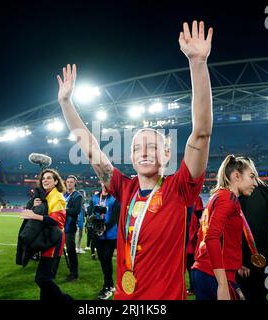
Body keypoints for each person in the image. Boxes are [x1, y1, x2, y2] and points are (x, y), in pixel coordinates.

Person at [56, 20, 212, 299]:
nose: (144, 151)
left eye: (153, 146)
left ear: (167, 154)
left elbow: (201, 133)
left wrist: (197, 63)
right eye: (138, 147)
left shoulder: (180, 188)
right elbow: (90, 147)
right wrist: (66, 104)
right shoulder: (124, 188)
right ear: (130, 156)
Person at [192, 155, 259, 300]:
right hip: (213, 275)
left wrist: (233, 263)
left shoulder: (218, 196)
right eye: (252, 176)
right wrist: (222, 284)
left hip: (206, 271)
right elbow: (211, 237)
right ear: (236, 176)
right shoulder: (227, 199)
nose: (255, 183)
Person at [19, 169, 71, 301]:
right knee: (46, 278)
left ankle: (65, 299)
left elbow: (56, 221)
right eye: (43, 178)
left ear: (55, 181)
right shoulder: (47, 196)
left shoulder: (57, 196)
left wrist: (34, 215)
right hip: (47, 238)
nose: (45, 180)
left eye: (49, 178)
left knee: (42, 278)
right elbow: (44, 213)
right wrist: (36, 207)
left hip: (54, 240)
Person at [236, 177, 268, 300]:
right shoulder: (264, 191)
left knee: (248, 293)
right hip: (267, 257)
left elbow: (252, 229)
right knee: (260, 293)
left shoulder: (249, 194)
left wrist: (242, 260)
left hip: (251, 261)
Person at [89, 181, 121, 300]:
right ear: (101, 182)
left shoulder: (115, 198)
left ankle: (107, 286)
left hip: (111, 234)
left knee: (106, 258)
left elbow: (115, 217)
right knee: (102, 259)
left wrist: (105, 227)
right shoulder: (95, 197)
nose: (106, 184)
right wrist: (92, 221)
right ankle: (110, 284)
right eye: (104, 182)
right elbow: (91, 212)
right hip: (98, 234)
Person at [63, 175, 83, 281]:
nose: (69, 183)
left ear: (75, 183)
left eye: (71, 182)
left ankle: (74, 273)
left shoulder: (77, 196)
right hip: (61, 226)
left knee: (71, 251)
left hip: (70, 227)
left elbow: (76, 211)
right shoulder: (65, 194)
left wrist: (63, 210)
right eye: (67, 181)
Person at [185, 196, 203, 296]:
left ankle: (193, 288)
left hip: (192, 236)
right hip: (185, 233)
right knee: (189, 264)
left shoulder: (196, 198)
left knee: (191, 264)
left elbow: (200, 216)